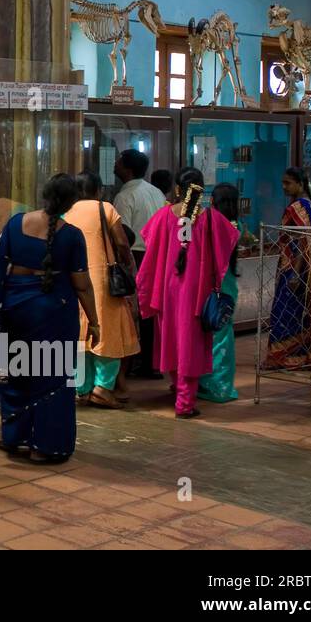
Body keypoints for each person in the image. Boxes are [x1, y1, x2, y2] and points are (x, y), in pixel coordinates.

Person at [0, 173, 98, 464]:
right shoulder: (71, 236)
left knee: (19, 371)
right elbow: (82, 284)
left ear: (44, 193)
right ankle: (45, 446)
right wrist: (95, 321)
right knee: (52, 379)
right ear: (71, 202)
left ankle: (14, 437)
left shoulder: (15, 224)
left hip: (15, 308)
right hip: (54, 312)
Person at [135, 167, 239, 419]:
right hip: (196, 294)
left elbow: (150, 244)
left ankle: (177, 387)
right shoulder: (211, 218)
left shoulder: (163, 216)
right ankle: (185, 403)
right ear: (201, 190)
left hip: (168, 291)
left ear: (178, 189)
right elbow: (231, 238)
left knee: (172, 340)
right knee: (191, 345)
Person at [68, 171, 140, 408]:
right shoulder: (105, 208)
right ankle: (102, 388)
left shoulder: (66, 213)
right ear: (98, 189)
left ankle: (82, 388)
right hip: (102, 280)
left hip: (74, 281)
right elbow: (121, 242)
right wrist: (128, 265)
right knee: (109, 331)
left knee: (80, 333)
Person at [112, 149, 168, 379]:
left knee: (135, 309)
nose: (114, 164)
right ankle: (152, 361)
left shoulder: (124, 197)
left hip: (137, 255)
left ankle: (138, 360)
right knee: (152, 309)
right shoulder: (155, 192)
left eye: (118, 161)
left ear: (127, 168)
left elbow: (123, 235)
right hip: (158, 254)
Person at [264, 167, 311, 370]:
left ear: (300, 184)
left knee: (284, 311)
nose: (284, 187)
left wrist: (294, 273)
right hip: (299, 267)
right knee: (295, 311)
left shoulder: (298, 207)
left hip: (294, 268)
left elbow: (304, 241)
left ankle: (281, 357)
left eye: (288, 183)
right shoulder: (307, 205)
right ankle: (297, 356)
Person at [198, 182, 242, 403]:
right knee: (222, 336)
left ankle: (209, 384)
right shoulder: (235, 226)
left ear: (213, 201)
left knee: (208, 336)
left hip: (209, 287)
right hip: (227, 289)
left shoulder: (208, 224)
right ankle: (222, 385)